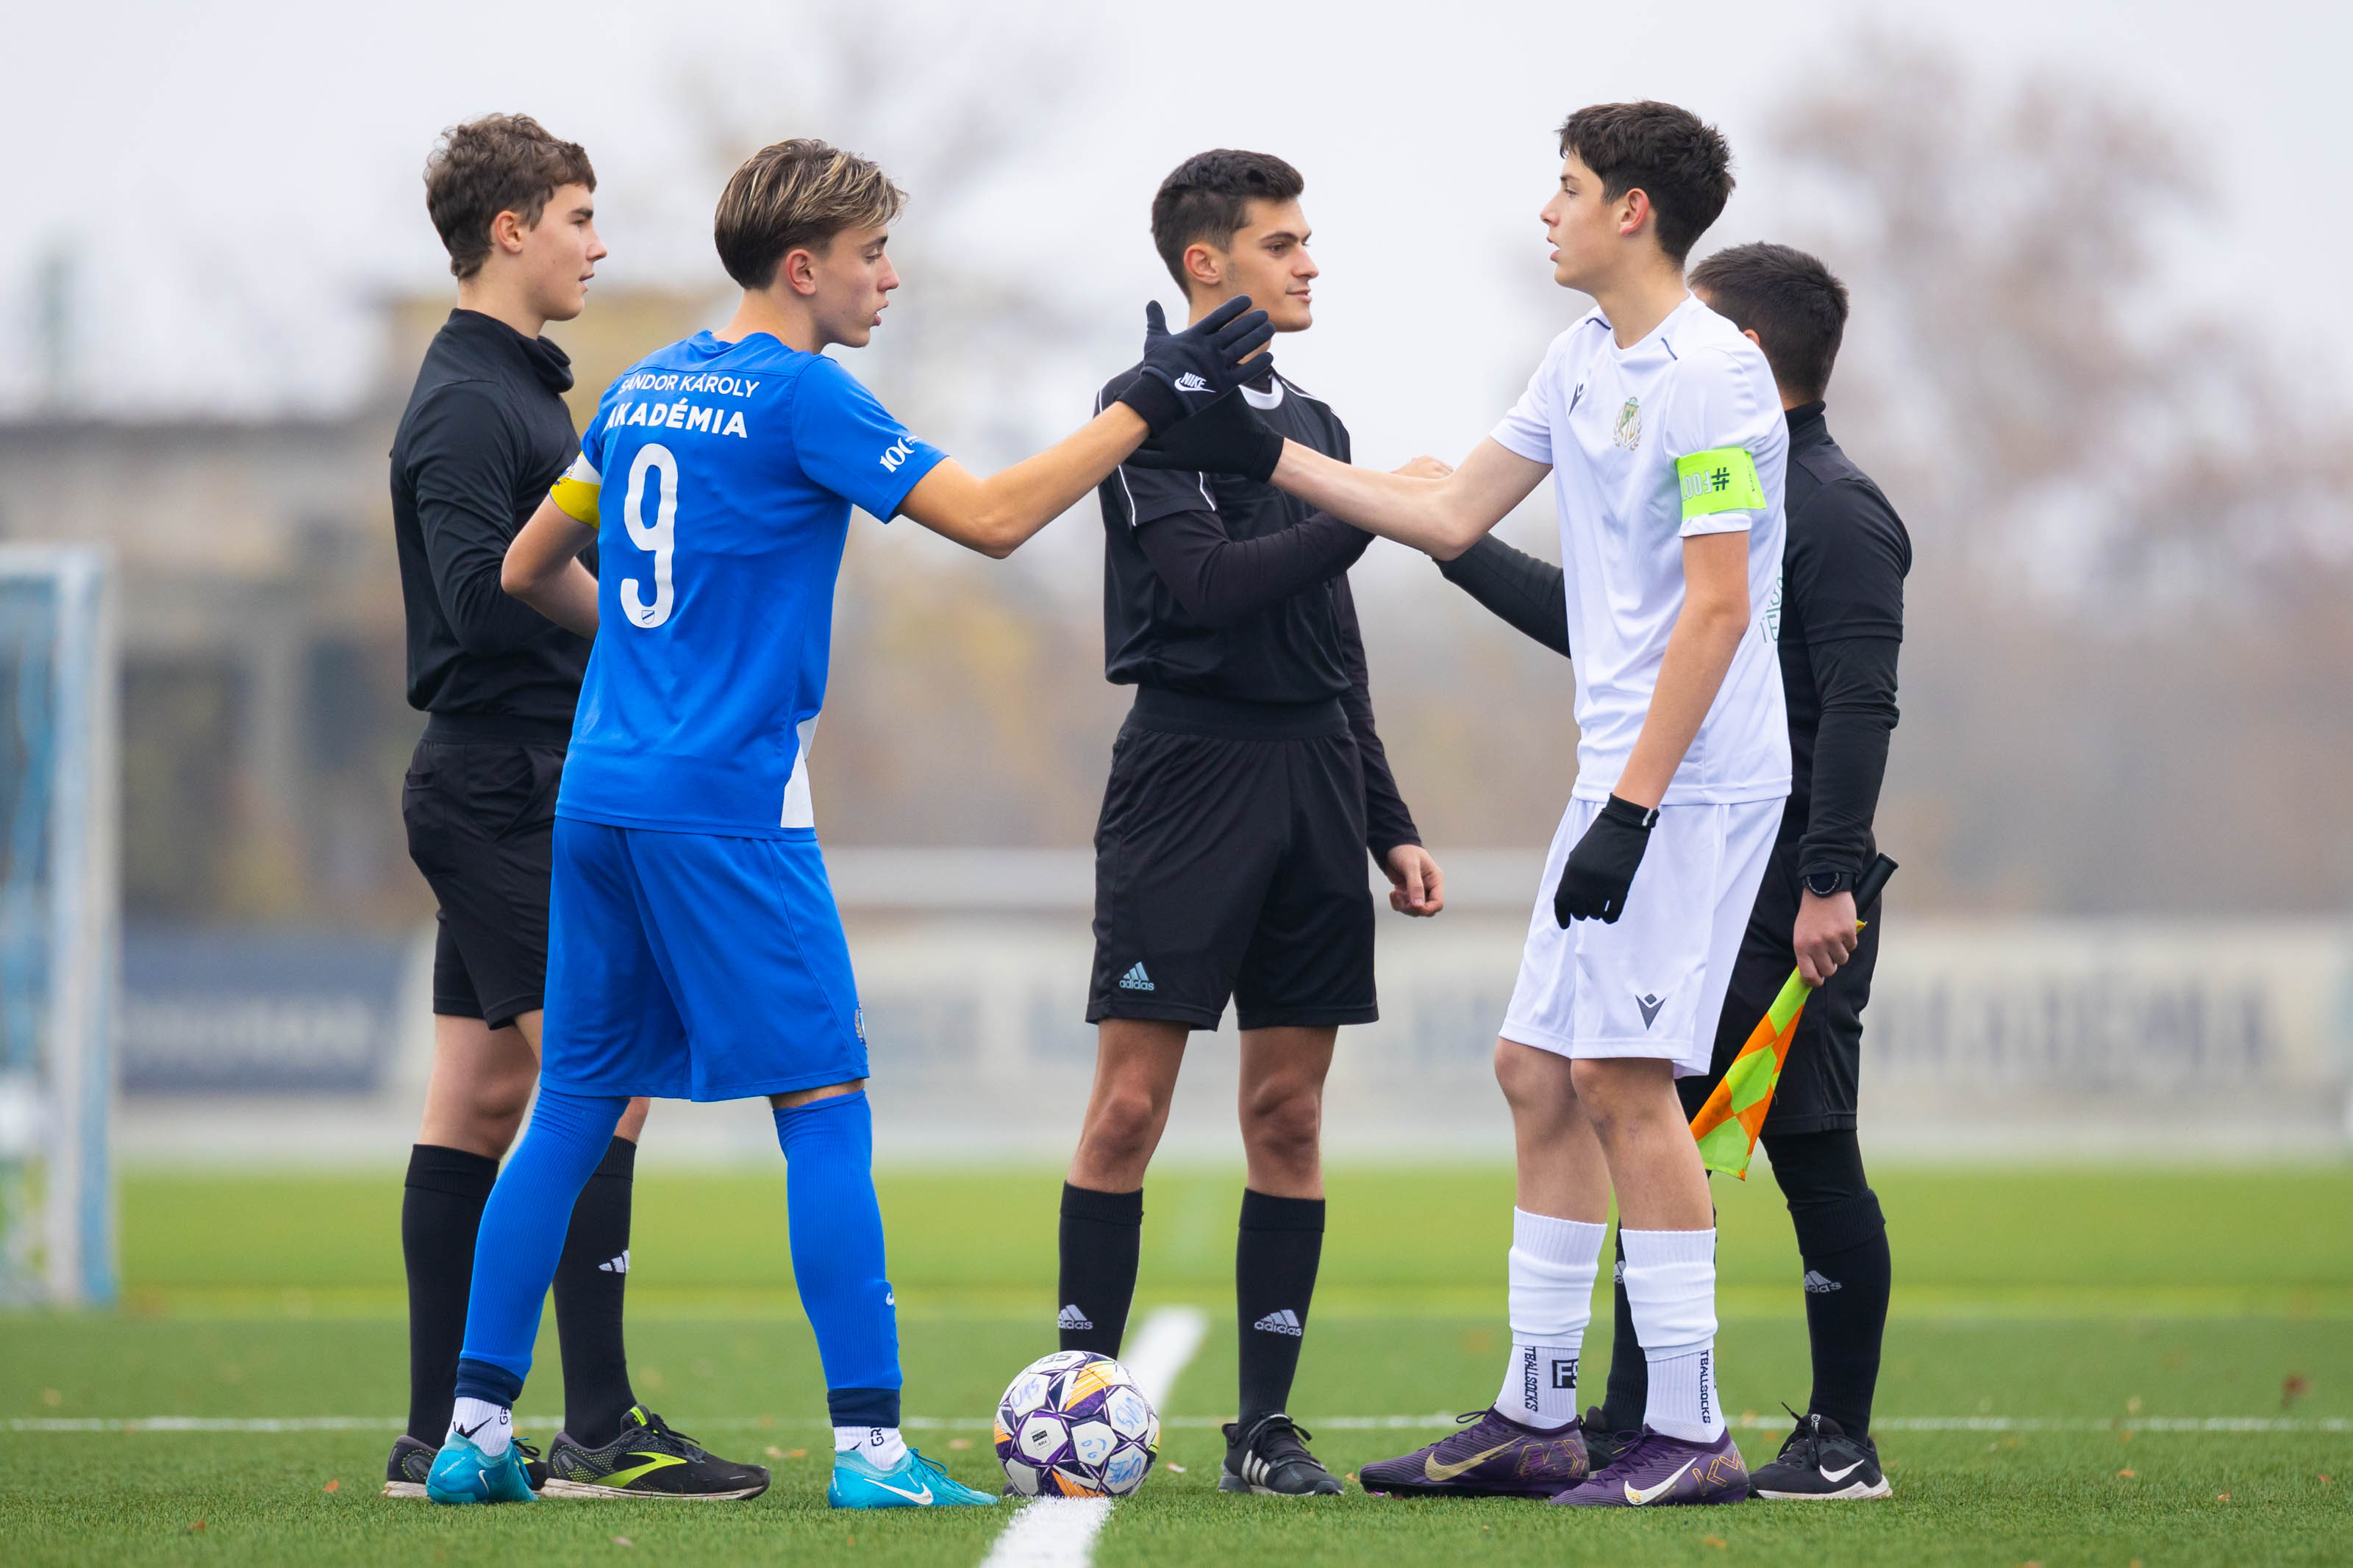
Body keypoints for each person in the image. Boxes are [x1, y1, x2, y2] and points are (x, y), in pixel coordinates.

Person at [422, 137, 1274, 1509]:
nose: (892, 275)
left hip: (599, 793)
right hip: (726, 814)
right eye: (874, 252)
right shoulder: (805, 396)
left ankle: (470, 1431)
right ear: (804, 266)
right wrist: (1148, 405)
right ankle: (874, 1448)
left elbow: (528, 565)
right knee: (822, 1103)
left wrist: (659, 660)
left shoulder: (643, 385)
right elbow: (994, 519)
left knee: (572, 1106)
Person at [1133, 101, 1786, 1507]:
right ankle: (1537, 1413)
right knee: (1536, 1069)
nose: (1545, 212)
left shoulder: (1717, 377)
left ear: (1632, 212)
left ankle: (1691, 1429)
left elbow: (1721, 613)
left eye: (1565, 189)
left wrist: (1635, 805)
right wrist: (1253, 450)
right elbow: (1443, 515)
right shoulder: (1579, 356)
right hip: (1618, 770)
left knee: (1620, 1079)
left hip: (1691, 781)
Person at [1432, 242, 1909, 1502]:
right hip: (1692, 836)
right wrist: (1450, 534)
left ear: (1744, 354)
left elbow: (1861, 703)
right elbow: (1605, 622)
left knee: (1804, 1143)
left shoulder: (1841, 508)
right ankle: (1639, 1414)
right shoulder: (1712, 470)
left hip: (1778, 867)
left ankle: (1836, 1435)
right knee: (1632, 1101)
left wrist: (1831, 875)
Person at [1054, 150, 1444, 1500]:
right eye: (1283, 244)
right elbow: (1211, 588)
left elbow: (1332, 641)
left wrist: (1389, 819)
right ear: (1205, 264)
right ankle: (1076, 1404)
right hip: (1187, 778)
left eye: (1309, 241)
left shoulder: (1318, 422)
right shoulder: (1139, 411)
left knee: (1288, 1114)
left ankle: (1263, 1428)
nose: (1310, 263)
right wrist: (1381, 513)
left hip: (1316, 782)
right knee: (1127, 1111)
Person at [388, 112, 763, 1500]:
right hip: (507, 780)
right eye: (580, 220)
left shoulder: (520, 388)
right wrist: (644, 642)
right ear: (510, 231)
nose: (598, 246)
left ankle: (433, 1435)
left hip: (506, 775)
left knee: (483, 1096)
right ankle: (596, 1425)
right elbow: (488, 599)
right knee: (601, 1086)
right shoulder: (469, 402)